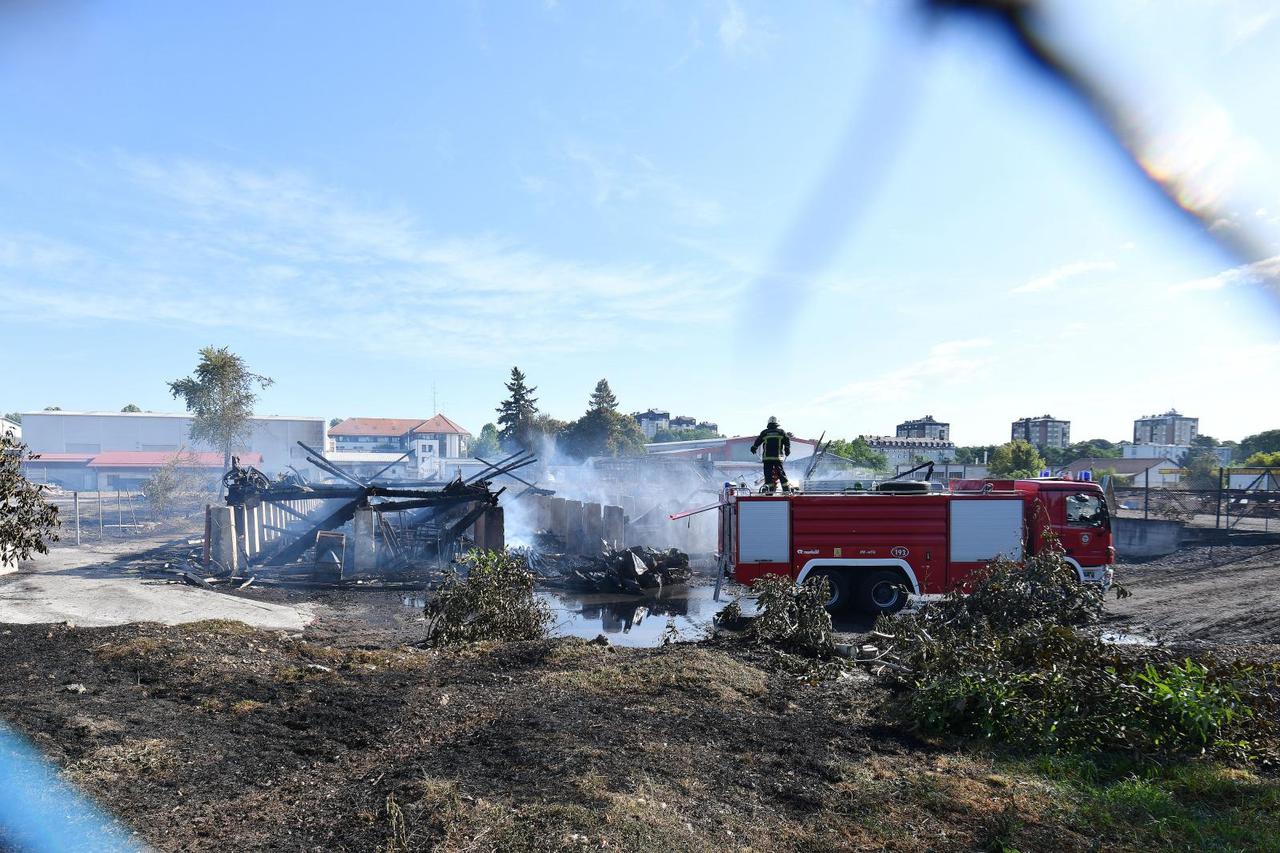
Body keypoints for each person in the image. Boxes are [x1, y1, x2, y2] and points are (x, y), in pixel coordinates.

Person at [750, 415, 791, 493]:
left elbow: (758, 441)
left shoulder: (765, 432)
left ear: (768, 423)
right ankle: (786, 490)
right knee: (781, 473)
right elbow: (787, 441)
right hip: (777, 457)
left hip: (767, 458)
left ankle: (770, 491)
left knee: (768, 475)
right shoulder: (781, 432)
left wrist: (754, 447)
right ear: (777, 423)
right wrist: (787, 449)